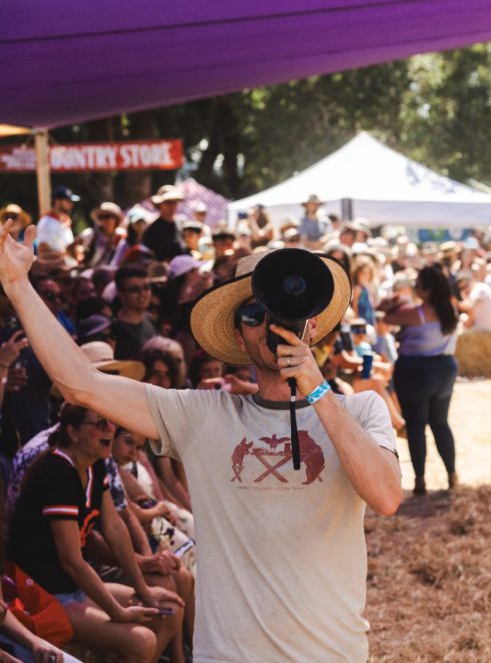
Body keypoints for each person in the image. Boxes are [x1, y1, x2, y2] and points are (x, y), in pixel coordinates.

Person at [0, 224, 402, 662]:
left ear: (314, 323)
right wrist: (18, 285)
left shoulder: (361, 411)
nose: (269, 327)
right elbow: (82, 385)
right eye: (253, 315)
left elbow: (385, 495)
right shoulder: (204, 416)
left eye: (283, 313)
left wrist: (316, 388)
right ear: (237, 335)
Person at [6, 404, 184, 662]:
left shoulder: (94, 465)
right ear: (74, 432)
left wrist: (143, 589)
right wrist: (119, 613)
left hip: (73, 588)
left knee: (171, 609)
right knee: (142, 641)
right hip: (44, 594)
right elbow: (72, 562)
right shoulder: (58, 473)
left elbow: (115, 529)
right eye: (100, 423)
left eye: (111, 421)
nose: (110, 428)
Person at [380, 265, 460, 495]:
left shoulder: (416, 313)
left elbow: (387, 318)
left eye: (417, 285)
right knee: (440, 423)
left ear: (426, 290)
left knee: (416, 427)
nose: (414, 289)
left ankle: (420, 480)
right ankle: (452, 474)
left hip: (416, 371)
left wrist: (392, 303)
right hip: (445, 368)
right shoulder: (450, 310)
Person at [111, 267, 157, 361]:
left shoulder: (150, 319)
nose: (142, 294)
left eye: (146, 287)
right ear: (121, 295)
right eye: (134, 289)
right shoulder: (114, 331)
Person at [140, 187, 187, 262]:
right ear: (160, 205)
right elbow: (147, 256)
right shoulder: (151, 229)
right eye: (168, 203)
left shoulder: (181, 224)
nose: (172, 207)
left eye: (174, 203)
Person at [36, 187, 79, 255]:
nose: (71, 204)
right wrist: (68, 252)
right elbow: (43, 252)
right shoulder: (46, 223)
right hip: (56, 265)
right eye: (68, 201)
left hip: (68, 264)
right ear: (57, 201)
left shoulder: (64, 221)